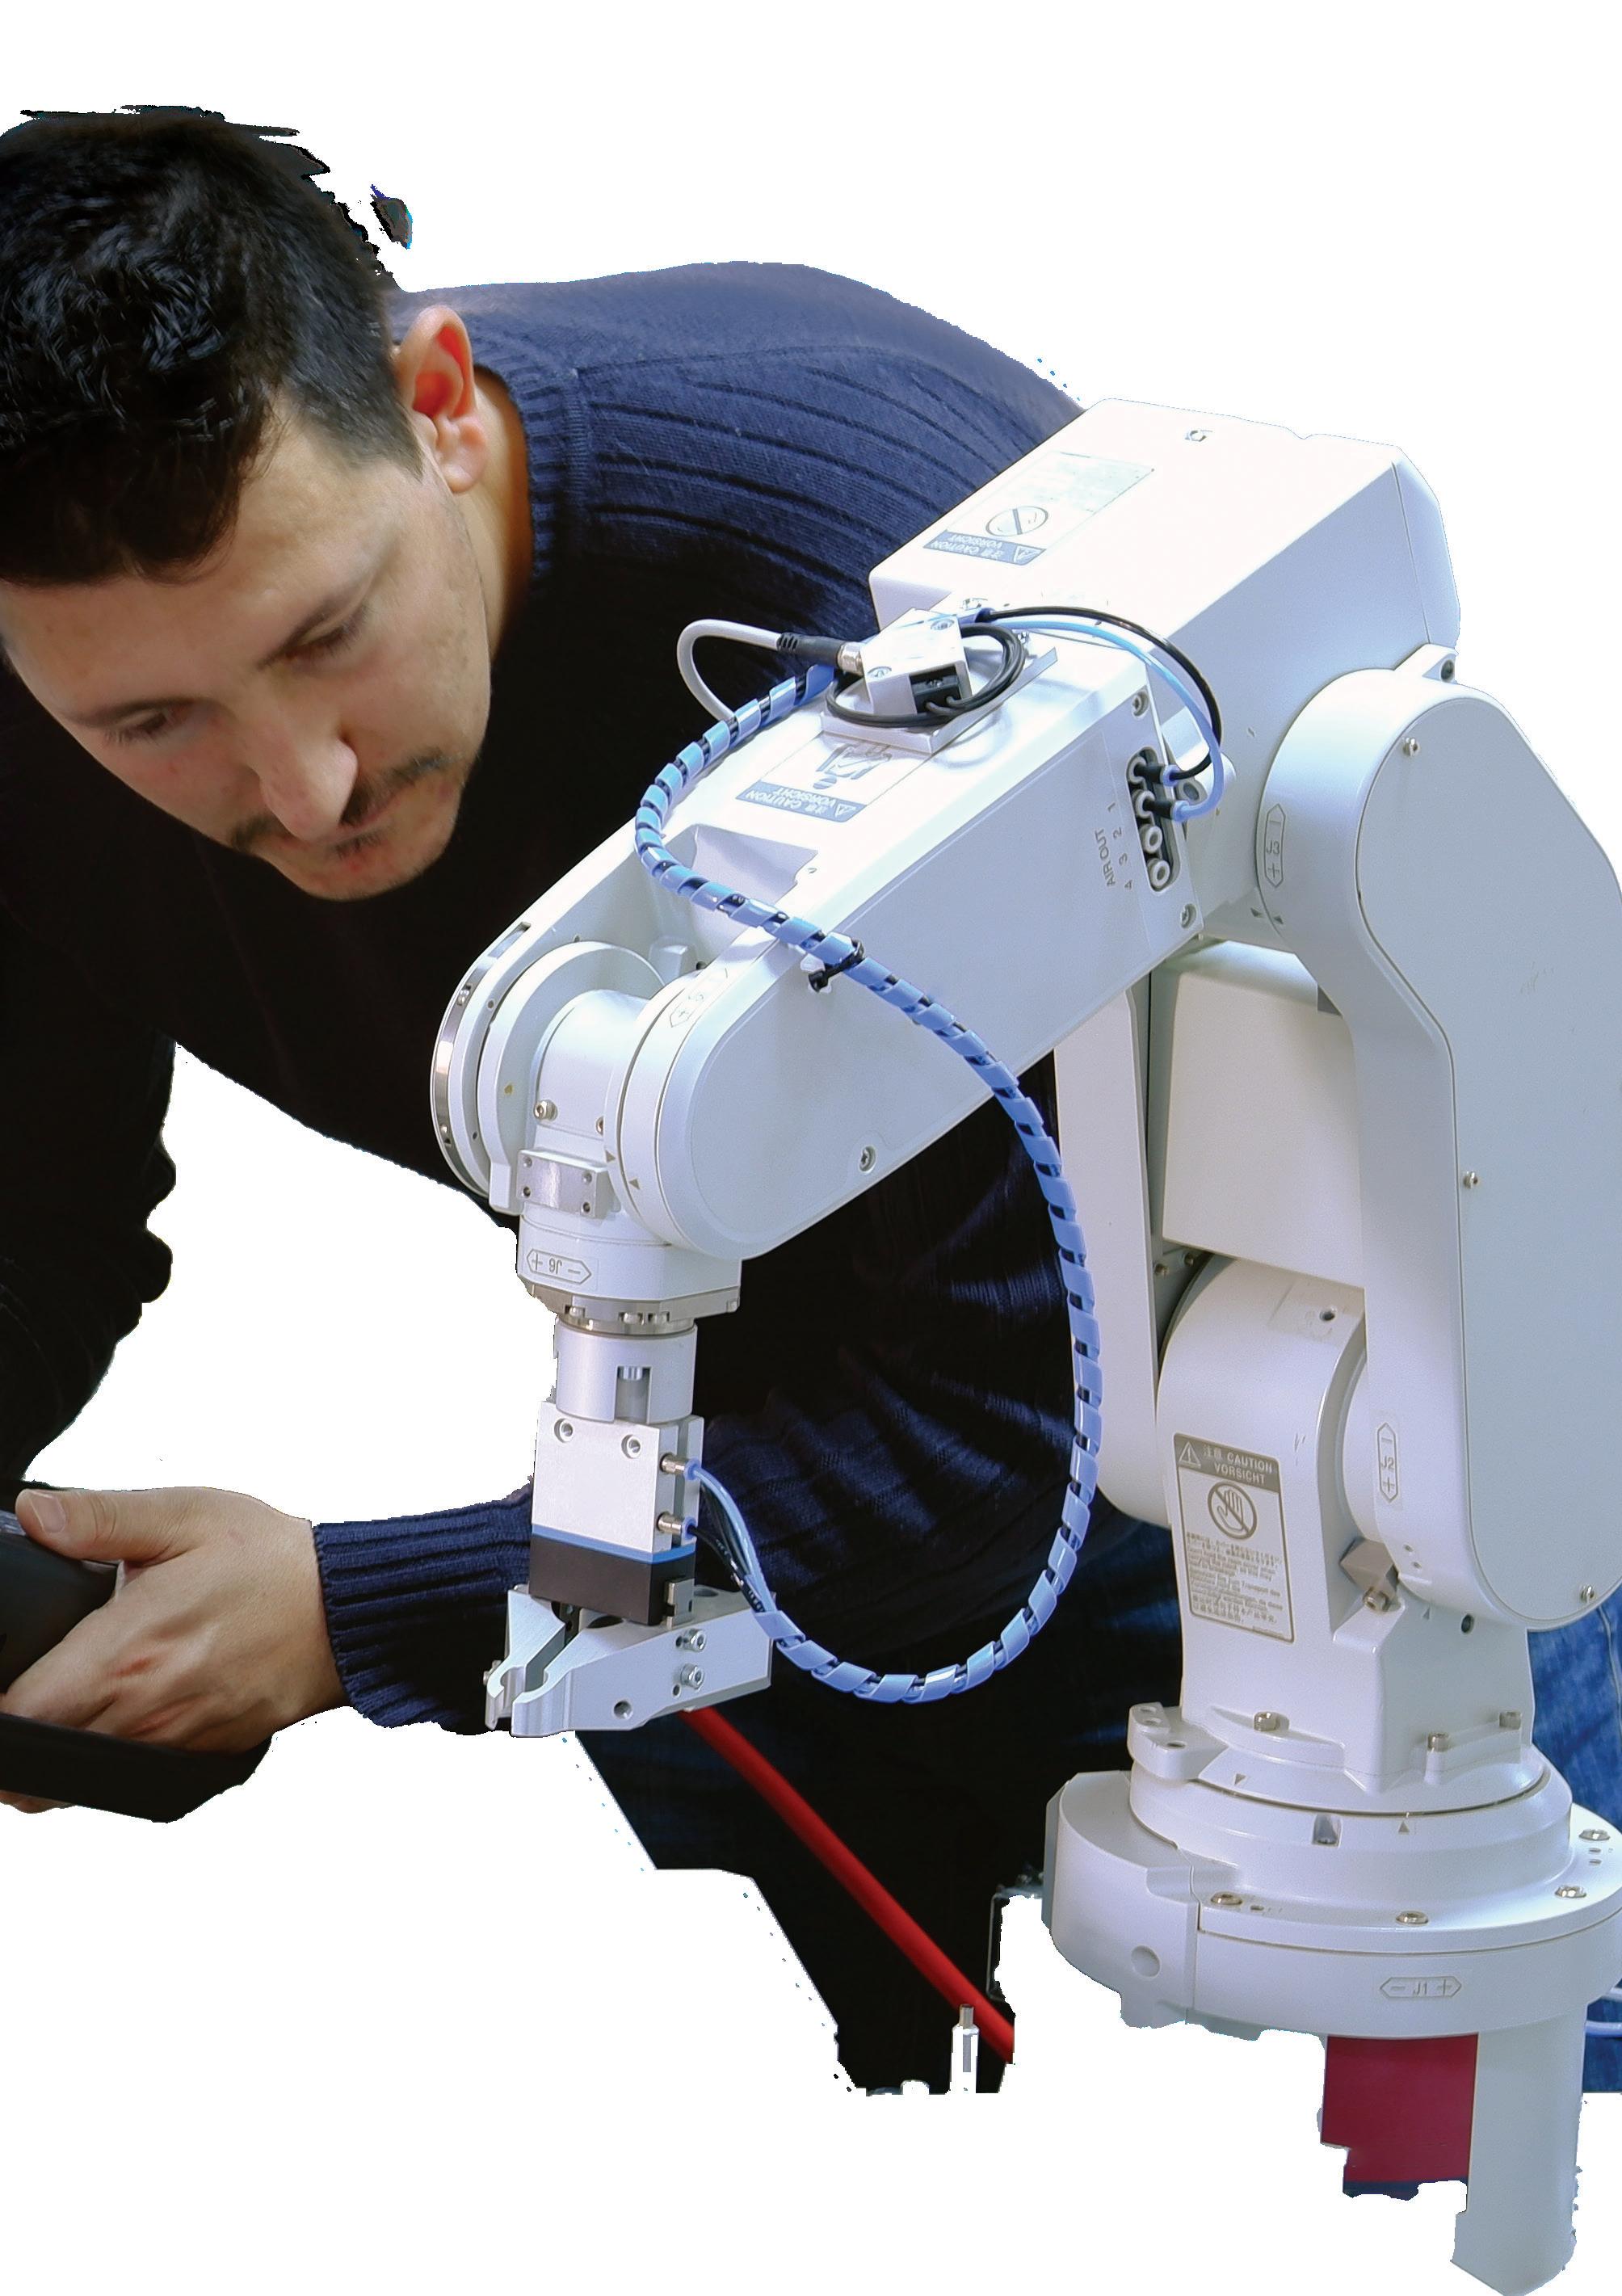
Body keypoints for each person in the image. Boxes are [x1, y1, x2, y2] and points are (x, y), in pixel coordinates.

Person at [0, 107, 1616, 2100]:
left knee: (1450, 2118)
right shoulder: (34, 681)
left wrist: (357, 1615)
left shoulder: (870, 617)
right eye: (149, 723)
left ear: (434, 404)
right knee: (914, 2134)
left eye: (326, 636)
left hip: (1308, 1489)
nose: (301, 786)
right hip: (751, 1487)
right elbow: (32, 1207)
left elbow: (1004, 1437)